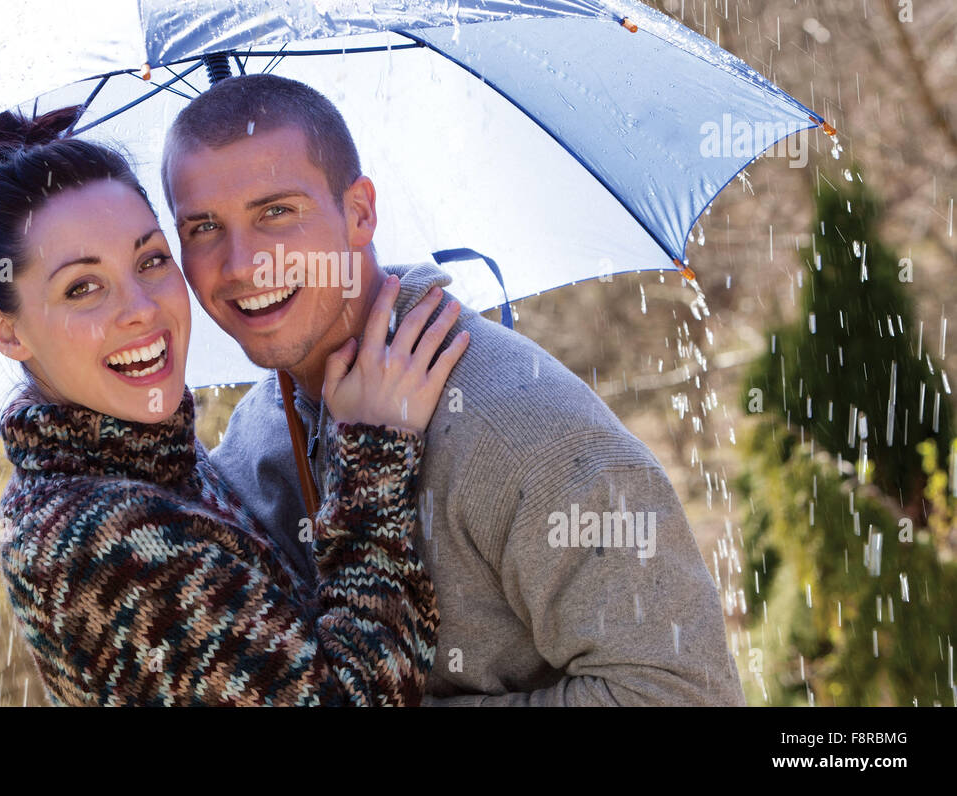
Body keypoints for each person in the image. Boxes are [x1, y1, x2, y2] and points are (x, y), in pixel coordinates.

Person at [161, 73, 747, 706]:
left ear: (359, 212)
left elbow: (681, 694)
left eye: (277, 211)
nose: (245, 263)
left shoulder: (522, 428)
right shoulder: (252, 442)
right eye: (204, 228)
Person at [0, 105, 467, 706]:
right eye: (83, 287)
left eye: (151, 260)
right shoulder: (106, 540)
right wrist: (373, 465)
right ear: (8, 332)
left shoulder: (149, 463)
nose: (142, 309)